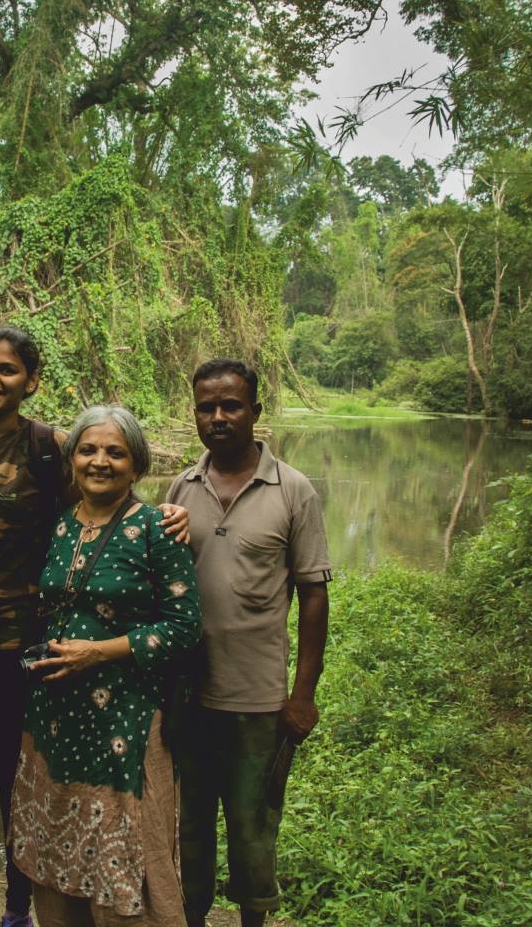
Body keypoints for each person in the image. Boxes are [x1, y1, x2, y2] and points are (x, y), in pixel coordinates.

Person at [0, 325, 192, 927]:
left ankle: (16, 910)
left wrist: (168, 512)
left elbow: (103, 496)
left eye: (6, 370)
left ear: (30, 382)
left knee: (19, 783)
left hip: (17, 652)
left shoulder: (49, 448)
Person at [12, 404, 201, 927]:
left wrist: (100, 651)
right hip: (54, 717)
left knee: (130, 854)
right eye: (88, 450)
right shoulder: (58, 526)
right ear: (72, 459)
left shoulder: (158, 528)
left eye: (115, 452)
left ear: (136, 466)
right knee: (59, 848)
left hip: (128, 721)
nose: (100, 461)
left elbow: (184, 630)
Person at [165, 360, 331, 927]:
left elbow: (313, 596)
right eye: (206, 407)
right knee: (191, 826)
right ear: (194, 413)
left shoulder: (294, 490)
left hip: (259, 700)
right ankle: (191, 917)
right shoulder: (180, 487)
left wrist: (302, 694)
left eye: (231, 405)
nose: (217, 417)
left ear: (255, 412)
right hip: (190, 695)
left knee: (253, 825)